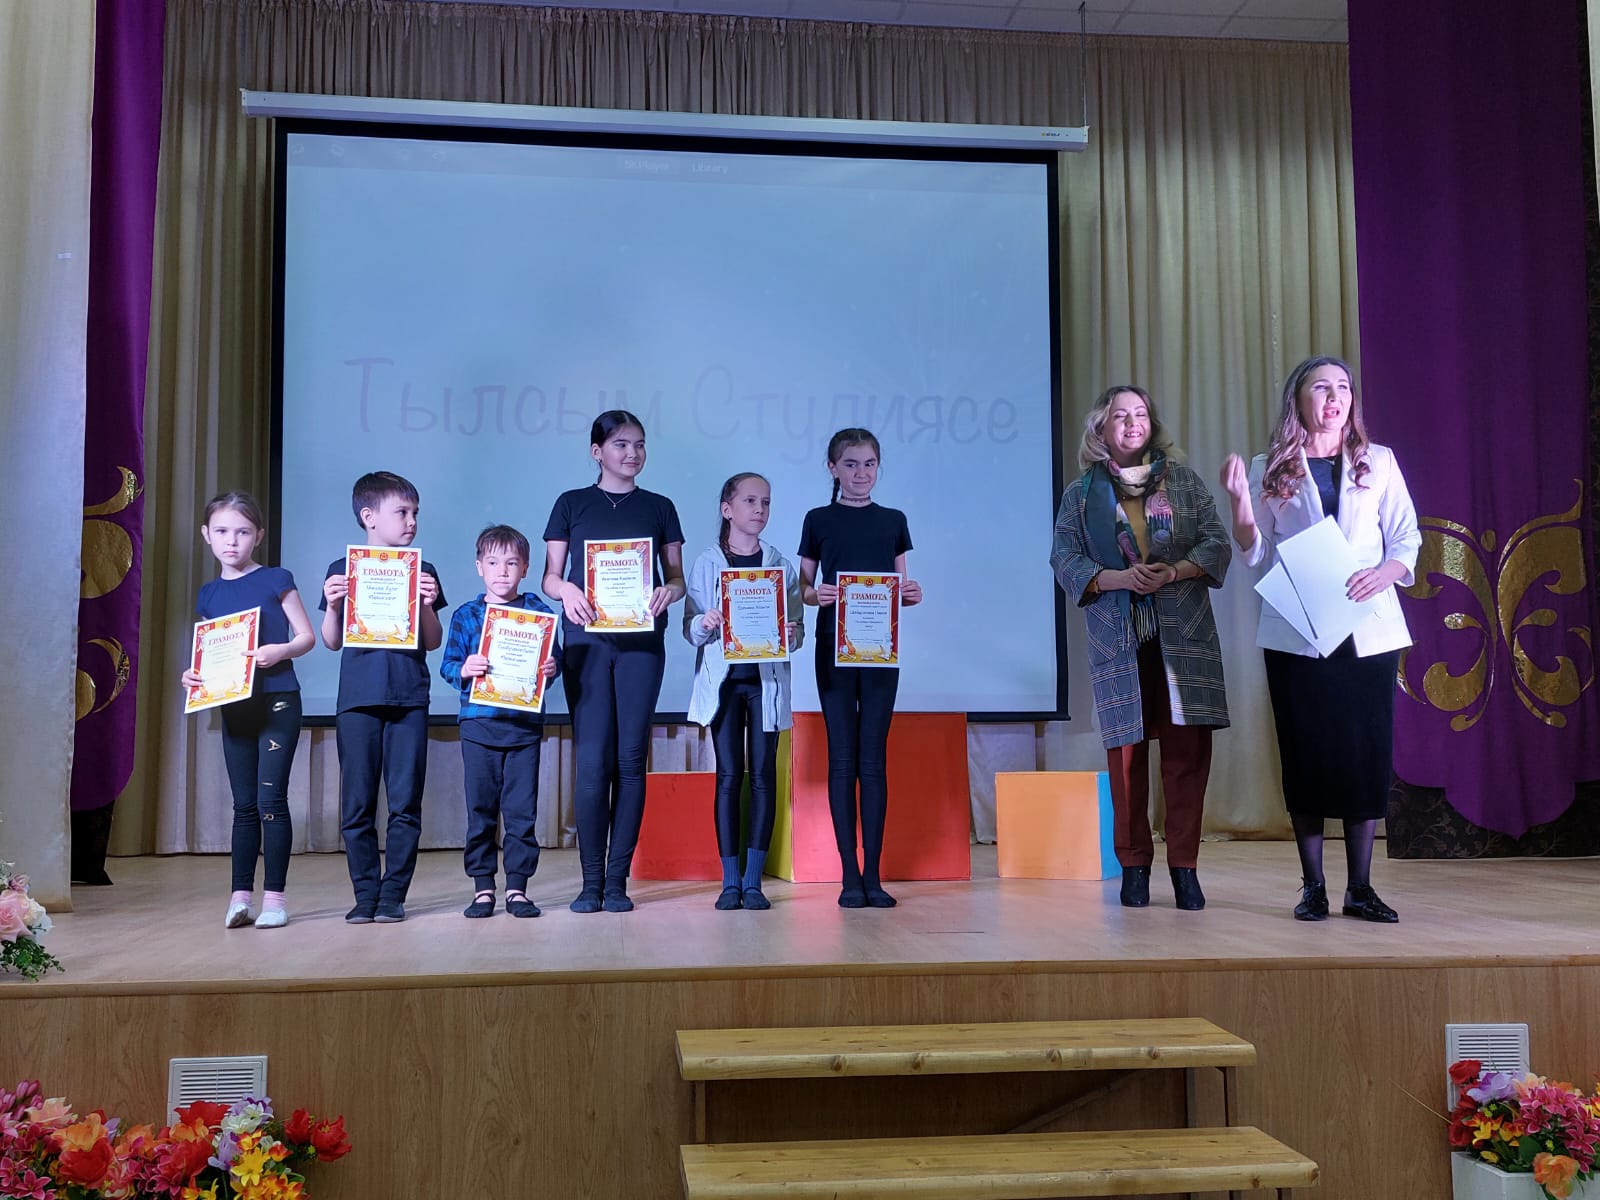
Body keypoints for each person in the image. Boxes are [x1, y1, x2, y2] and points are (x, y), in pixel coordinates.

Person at [1221, 356, 1420, 923]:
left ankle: (1360, 887)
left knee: (1363, 755)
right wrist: (1240, 505)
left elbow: (1406, 537)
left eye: (1343, 388)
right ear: (1299, 399)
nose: (1335, 398)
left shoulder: (1378, 461)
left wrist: (1385, 573)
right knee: (1306, 754)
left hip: (1366, 631)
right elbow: (1255, 554)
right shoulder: (1270, 467)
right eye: (1322, 388)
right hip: (1299, 633)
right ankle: (1313, 886)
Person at [1050, 386, 1230, 911]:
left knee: (1187, 757)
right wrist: (1117, 578)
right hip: (1120, 636)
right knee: (1127, 760)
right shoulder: (1080, 494)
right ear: (1101, 429)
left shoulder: (1184, 482)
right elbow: (1064, 557)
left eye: (1141, 414)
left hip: (1184, 636)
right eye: (1120, 416)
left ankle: (1185, 869)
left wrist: (1173, 571)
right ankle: (1133, 867)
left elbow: (1217, 543)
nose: (1132, 423)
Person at [542, 410, 685, 914]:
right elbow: (550, 577)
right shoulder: (571, 503)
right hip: (586, 643)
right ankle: (590, 883)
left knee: (629, 759)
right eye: (622, 444)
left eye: (640, 444)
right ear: (596, 451)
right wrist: (567, 590)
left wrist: (670, 591)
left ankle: (618, 880)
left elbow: (676, 577)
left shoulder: (660, 507)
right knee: (591, 761)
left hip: (641, 645)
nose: (633, 453)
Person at [797, 428, 923, 909]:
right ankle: (848, 874)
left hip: (879, 653)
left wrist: (911, 594)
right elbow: (803, 588)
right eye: (850, 464)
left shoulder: (893, 520)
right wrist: (816, 595)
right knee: (842, 759)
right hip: (833, 650)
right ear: (833, 468)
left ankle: (873, 875)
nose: (861, 472)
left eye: (869, 463)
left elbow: (901, 586)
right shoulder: (818, 519)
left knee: (873, 761)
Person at [184, 492, 316, 929]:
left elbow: (306, 636)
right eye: (222, 531)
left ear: (258, 536)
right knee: (243, 806)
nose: (231, 541)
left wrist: (279, 651)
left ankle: (274, 900)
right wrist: (193, 676)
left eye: (242, 532)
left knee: (270, 800)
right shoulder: (208, 594)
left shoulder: (276, 579)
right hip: (235, 706)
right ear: (206, 535)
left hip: (278, 700)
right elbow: (209, 653)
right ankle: (239, 898)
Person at [320, 471, 447, 924]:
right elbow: (331, 641)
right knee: (357, 805)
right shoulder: (342, 569)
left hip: (408, 699)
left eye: (415, 513)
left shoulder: (424, 571)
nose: (412, 521)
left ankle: (393, 895)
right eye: (402, 512)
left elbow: (432, 641)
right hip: (357, 701)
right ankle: (365, 894)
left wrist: (428, 604)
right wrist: (333, 606)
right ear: (369, 517)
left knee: (405, 803)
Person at [684, 473, 803, 911]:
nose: (759, 509)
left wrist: (791, 632)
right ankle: (730, 881)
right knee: (729, 776)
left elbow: (798, 631)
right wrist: (705, 622)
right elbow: (689, 629)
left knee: (764, 776)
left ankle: (754, 882)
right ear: (727, 509)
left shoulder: (780, 564)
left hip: (765, 684)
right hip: (725, 687)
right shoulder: (706, 563)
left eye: (765, 502)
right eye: (750, 501)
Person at [440, 524, 562, 919]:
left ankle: (517, 889)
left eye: (511, 563)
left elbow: (554, 663)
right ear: (479, 567)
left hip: (523, 728)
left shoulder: (540, 613)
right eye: (493, 563)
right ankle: (483, 888)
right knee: (481, 811)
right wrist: (465, 668)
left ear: (525, 567)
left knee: (521, 813)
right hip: (478, 726)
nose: (502, 571)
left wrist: (551, 667)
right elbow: (447, 665)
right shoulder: (466, 615)